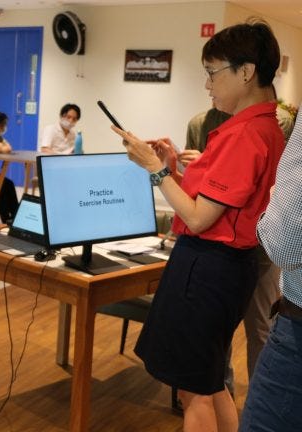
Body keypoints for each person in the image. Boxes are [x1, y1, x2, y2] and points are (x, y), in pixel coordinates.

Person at [111, 19, 284, 432]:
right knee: (206, 381)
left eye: (212, 73)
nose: (208, 86)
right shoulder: (267, 125)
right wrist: (172, 166)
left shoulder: (246, 133)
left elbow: (197, 217)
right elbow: (211, 201)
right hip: (225, 267)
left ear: (246, 72)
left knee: (194, 389)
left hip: (209, 268)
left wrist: (154, 169)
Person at [182, 103, 293, 398]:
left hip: (262, 246)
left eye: (214, 72)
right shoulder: (199, 123)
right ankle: (222, 400)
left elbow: (273, 181)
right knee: (217, 334)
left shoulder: (277, 122)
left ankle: (259, 405)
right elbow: (195, 191)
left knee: (260, 329)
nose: (209, 84)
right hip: (215, 247)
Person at [239, 109, 302, 431]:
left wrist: (276, 201)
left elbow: (286, 243)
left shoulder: (259, 130)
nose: (208, 85)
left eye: (213, 72)